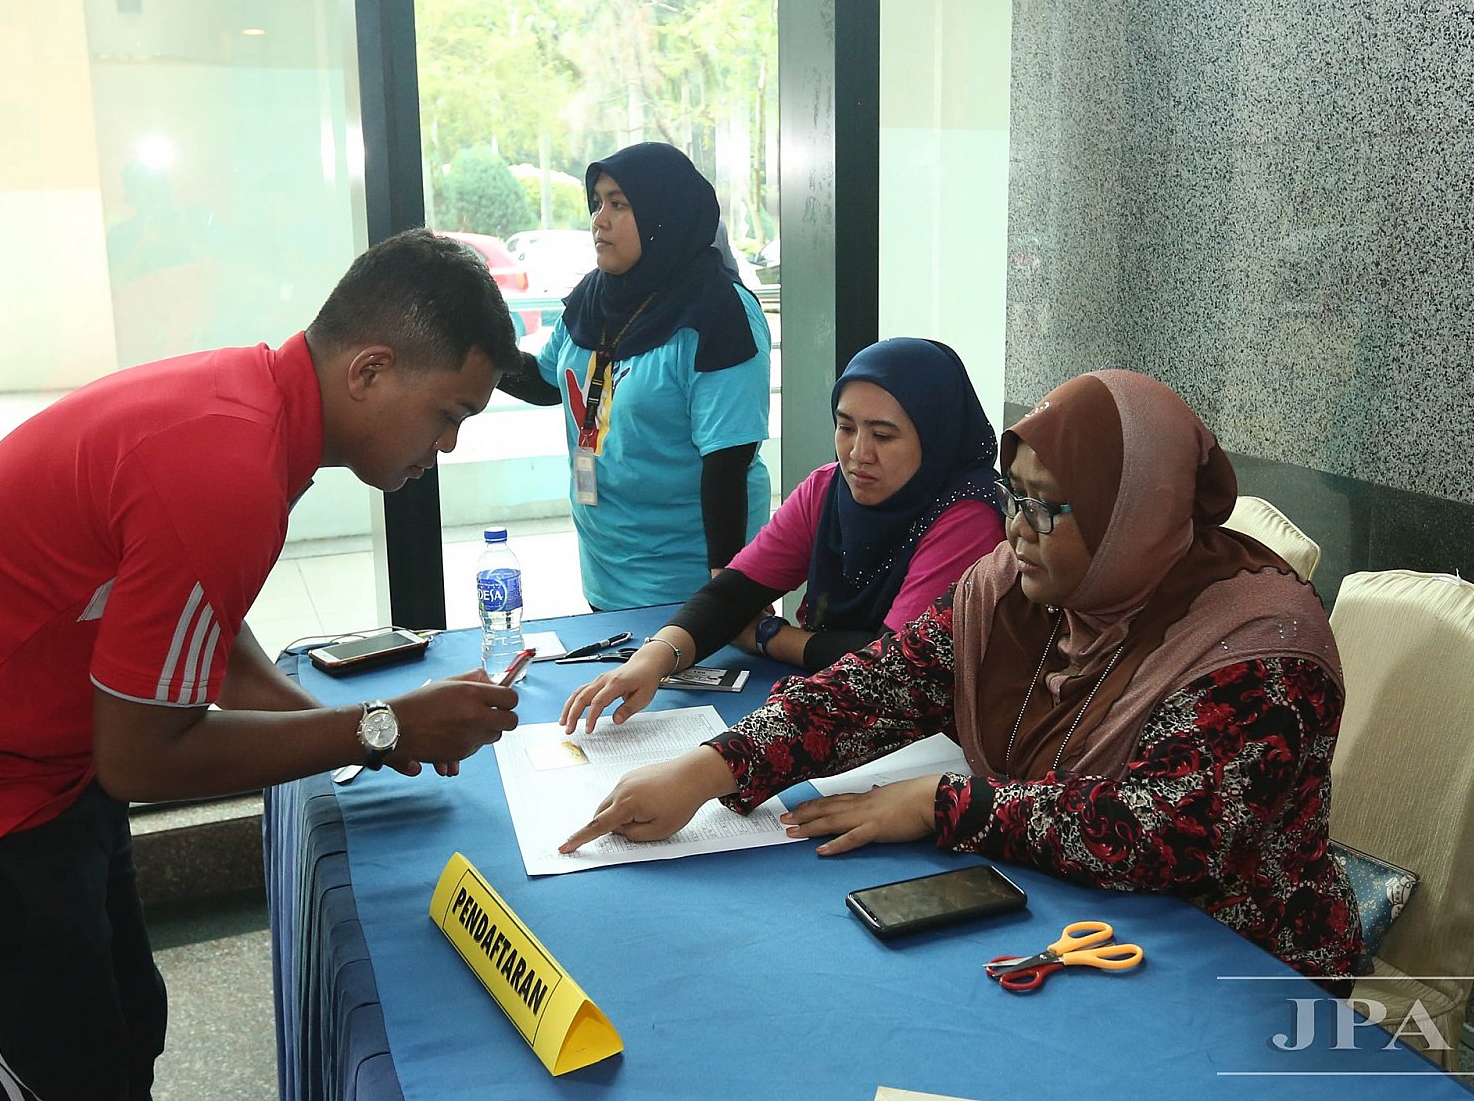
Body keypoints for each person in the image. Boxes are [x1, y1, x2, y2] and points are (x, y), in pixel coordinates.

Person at [0, 229, 523, 1097]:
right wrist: (378, 727)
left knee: (122, 1033)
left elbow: (210, 637)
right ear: (370, 371)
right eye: (450, 414)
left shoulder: (251, 404)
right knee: (45, 1071)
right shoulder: (227, 465)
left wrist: (366, 729)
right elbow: (142, 757)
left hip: (53, 776)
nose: (446, 447)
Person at [562, 369, 1364, 982]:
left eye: (1045, 506)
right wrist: (711, 769)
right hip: (1063, 917)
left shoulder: (1259, 650)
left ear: (1132, 513)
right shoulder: (1018, 591)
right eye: (1015, 496)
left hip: (1240, 972)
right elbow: (881, 683)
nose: (1015, 530)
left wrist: (940, 801)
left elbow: (1161, 834)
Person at [561, 337, 1006, 733]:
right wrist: (652, 660)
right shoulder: (828, 488)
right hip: (834, 700)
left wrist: (768, 636)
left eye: (884, 436)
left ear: (936, 435)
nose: (858, 453)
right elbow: (732, 594)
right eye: (846, 427)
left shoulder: (970, 513)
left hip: (928, 731)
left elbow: (893, 660)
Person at [496, 141, 772, 611]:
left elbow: (728, 462)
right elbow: (546, 383)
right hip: (606, 569)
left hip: (689, 583)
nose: (599, 219)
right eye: (597, 203)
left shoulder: (720, 311)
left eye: (619, 204)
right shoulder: (594, 295)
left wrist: (724, 600)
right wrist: (479, 347)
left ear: (665, 213)